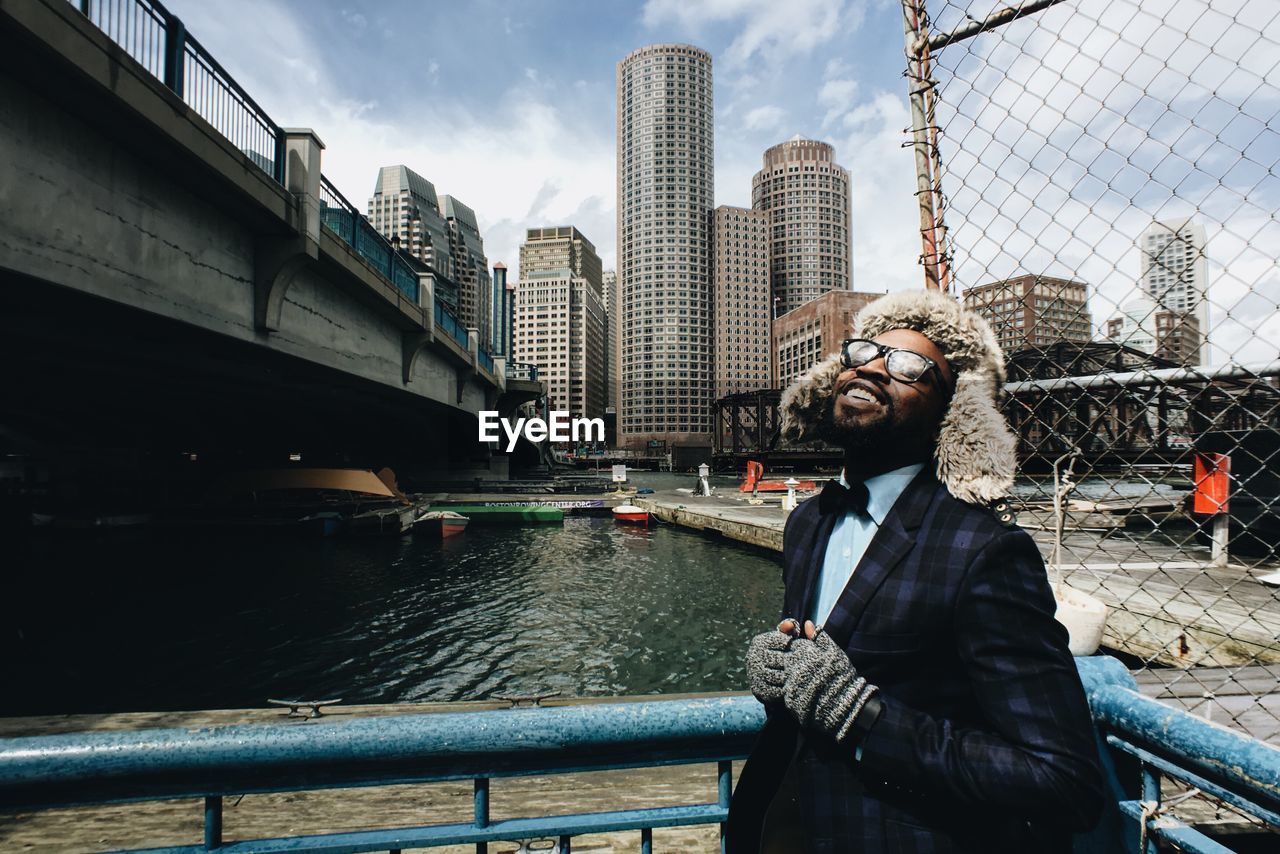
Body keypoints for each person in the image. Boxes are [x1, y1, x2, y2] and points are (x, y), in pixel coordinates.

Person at [727, 290, 1103, 853]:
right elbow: (820, 668)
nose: (874, 366)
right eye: (863, 352)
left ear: (952, 413)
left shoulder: (984, 550)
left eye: (908, 366)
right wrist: (782, 675)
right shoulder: (808, 521)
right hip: (782, 822)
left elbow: (1063, 780)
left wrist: (864, 716)